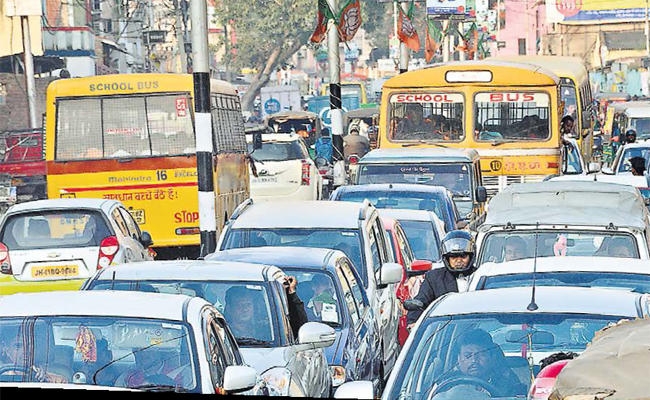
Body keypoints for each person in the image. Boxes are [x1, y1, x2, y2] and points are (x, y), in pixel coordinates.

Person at [406, 230, 478, 328]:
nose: (458, 260)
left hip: (479, 329)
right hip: (443, 331)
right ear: (446, 258)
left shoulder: (481, 275)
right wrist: (413, 322)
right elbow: (420, 302)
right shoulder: (434, 278)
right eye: (453, 257)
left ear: (471, 256)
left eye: (463, 256)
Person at [435, 329, 526, 397]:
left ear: (492, 357)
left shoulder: (508, 383)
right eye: (468, 356)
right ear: (458, 358)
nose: (474, 360)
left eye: (481, 354)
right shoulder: (446, 384)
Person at [0, 330, 68, 383]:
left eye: (30, 345)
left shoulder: (57, 380)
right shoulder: (2, 376)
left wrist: (46, 381)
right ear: (6, 349)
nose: (25, 351)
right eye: (18, 346)